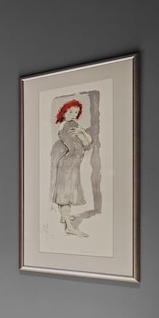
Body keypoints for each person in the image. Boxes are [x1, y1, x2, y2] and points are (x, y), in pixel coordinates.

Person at [50, 99, 93, 237]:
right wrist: (82, 134)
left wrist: (82, 131)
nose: (73, 114)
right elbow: (86, 143)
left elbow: (87, 143)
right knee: (66, 195)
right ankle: (69, 227)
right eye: (70, 111)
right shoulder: (68, 125)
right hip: (68, 164)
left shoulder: (73, 124)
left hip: (71, 165)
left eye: (76, 112)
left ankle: (63, 217)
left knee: (63, 192)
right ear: (64, 111)